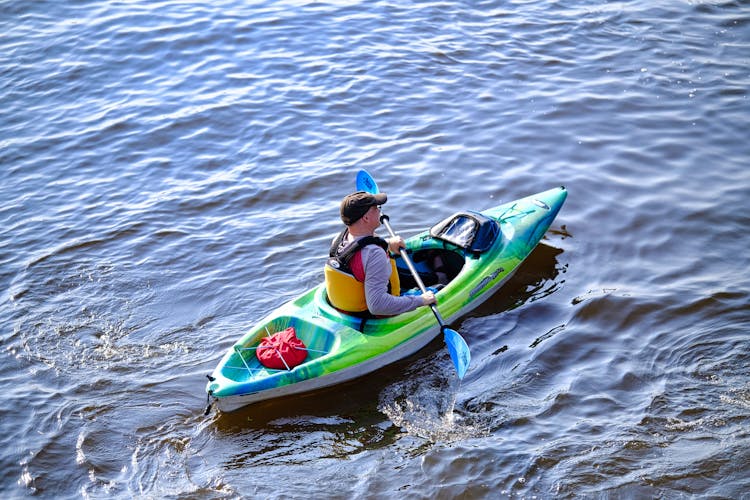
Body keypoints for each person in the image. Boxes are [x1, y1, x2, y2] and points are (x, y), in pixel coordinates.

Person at [324, 191, 436, 317]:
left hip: (346, 310)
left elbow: (358, 251)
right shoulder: (375, 254)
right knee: (439, 288)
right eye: (375, 208)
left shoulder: (339, 240)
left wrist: (388, 243)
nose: (379, 210)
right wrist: (421, 300)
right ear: (366, 218)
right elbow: (377, 305)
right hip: (372, 316)